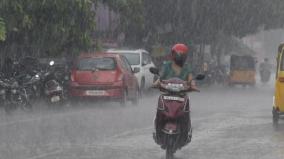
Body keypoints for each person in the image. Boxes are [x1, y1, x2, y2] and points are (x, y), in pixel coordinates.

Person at [153, 43, 196, 145]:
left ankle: (186, 132)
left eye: (181, 55)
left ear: (185, 57)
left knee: (186, 112)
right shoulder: (167, 65)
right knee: (159, 110)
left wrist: (192, 85)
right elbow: (160, 78)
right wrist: (156, 84)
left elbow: (191, 80)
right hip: (167, 93)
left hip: (181, 95)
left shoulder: (187, 68)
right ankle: (157, 130)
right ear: (173, 55)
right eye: (177, 54)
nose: (179, 57)